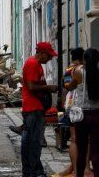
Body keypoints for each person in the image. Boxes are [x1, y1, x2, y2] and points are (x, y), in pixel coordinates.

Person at [67, 48, 99, 177]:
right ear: (98, 59)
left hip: (82, 116)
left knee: (82, 150)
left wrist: (69, 79)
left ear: (85, 59)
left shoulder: (78, 72)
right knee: (95, 150)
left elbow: (70, 87)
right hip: (97, 115)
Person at [21, 41, 59, 177]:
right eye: (49, 56)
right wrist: (49, 87)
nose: (49, 59)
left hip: (35, 107)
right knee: (33, 141)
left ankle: (35, 170)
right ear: (42, 54)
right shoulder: (32, 64)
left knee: (33, 140)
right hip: (33, 107)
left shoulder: (35, 64)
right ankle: (31, 171)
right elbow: (31, 87)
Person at [51, 47, 85, 177]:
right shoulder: (75, 69)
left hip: (71, 105)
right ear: (82, 57)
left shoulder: (69, 69)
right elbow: (68, 87)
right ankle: (77, 170)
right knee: (76, 139)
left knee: (75, 139)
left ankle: (74, 168)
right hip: (77, 105)